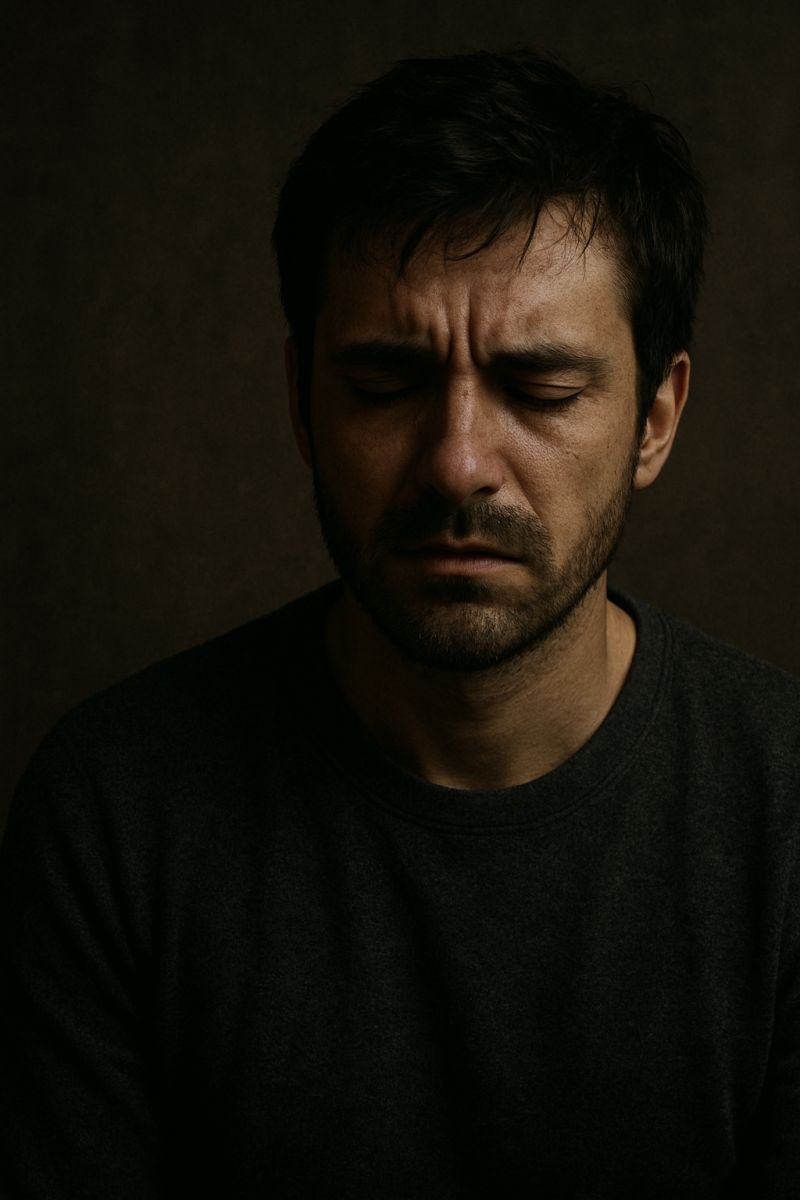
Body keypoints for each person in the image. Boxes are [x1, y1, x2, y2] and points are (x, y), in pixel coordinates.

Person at [0, 49, 798, 1200]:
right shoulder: (113, 812)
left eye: (539, 388)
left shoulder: (785, 816)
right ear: (299, 403)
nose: (457, 463)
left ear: (655, 419)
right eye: (383, 383)